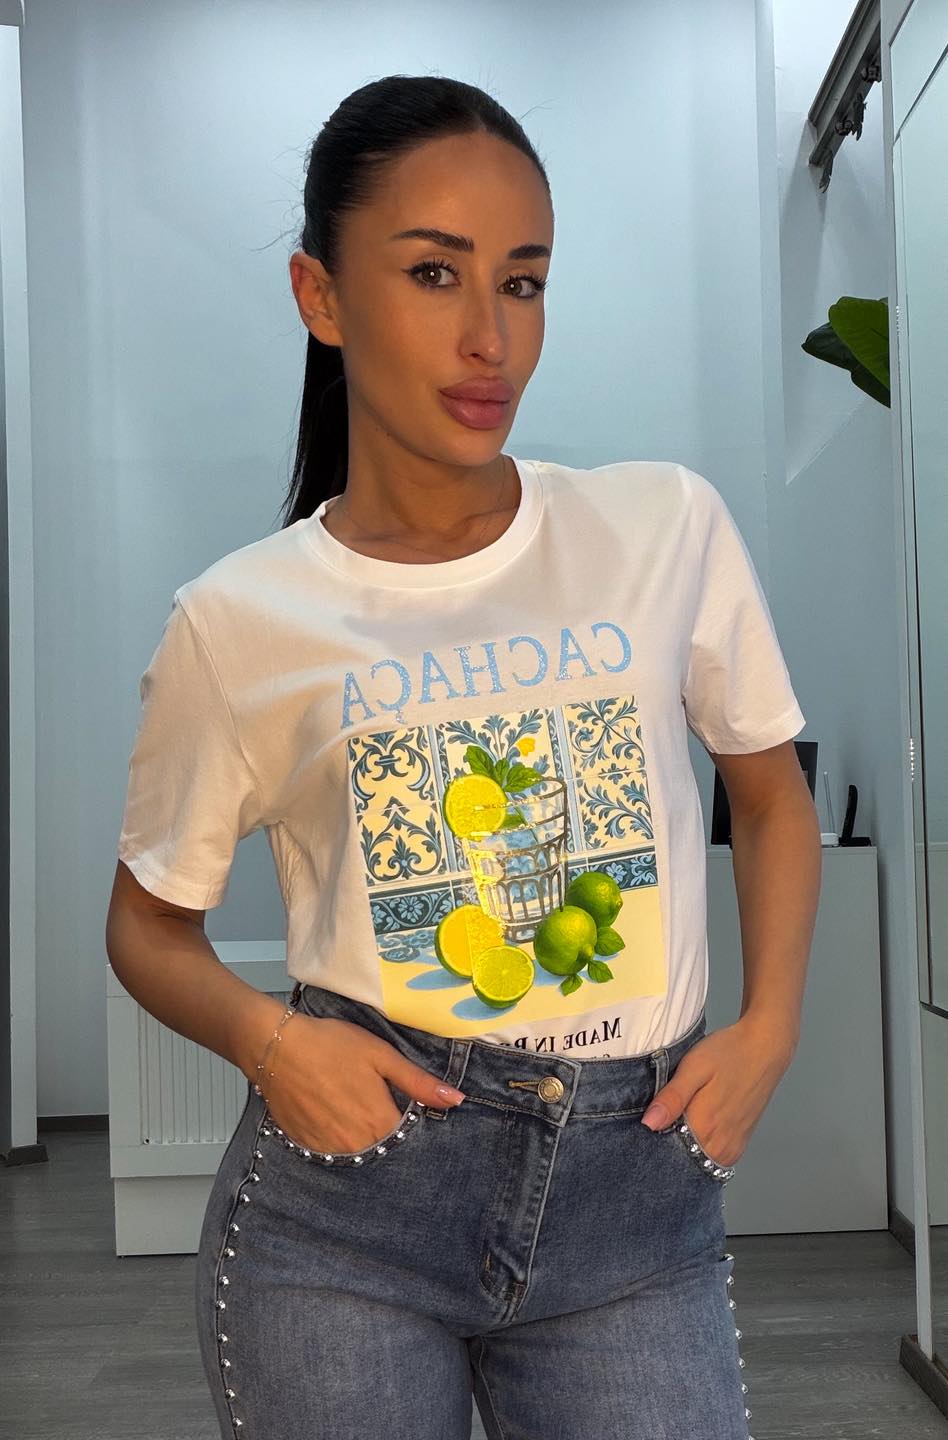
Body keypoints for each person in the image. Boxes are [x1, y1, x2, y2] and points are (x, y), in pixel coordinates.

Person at [106, 74, 821, 1440]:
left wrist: (772, 1025)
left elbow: (770, 794)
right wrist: (271, 1042)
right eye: (434, 273)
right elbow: (145, 926)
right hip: (352, 1222)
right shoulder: (238, 623)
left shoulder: (662, 528)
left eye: (524, 281)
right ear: (321, 296)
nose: (490, 335)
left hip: (634, 1212)